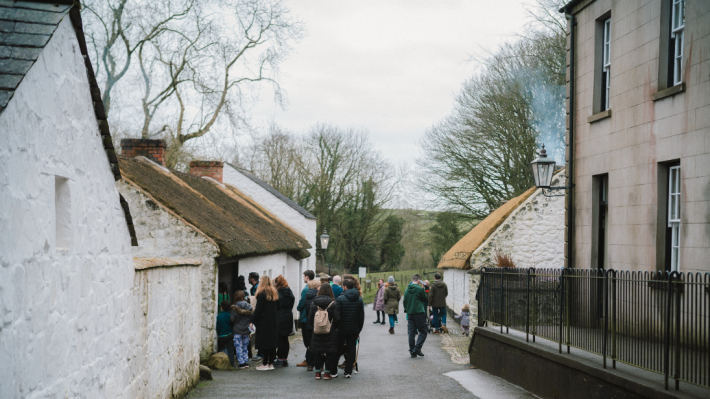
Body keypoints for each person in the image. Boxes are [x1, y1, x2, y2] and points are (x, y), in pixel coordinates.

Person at [309, 284, 340, 380]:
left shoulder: (314, 303)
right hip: (329, 332)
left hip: (317, 331)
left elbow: (310, 318)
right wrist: (333, 327)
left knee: (317, 352)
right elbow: (337, 319)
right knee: (329, 352)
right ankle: (327, 374)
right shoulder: (333, 303)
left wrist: (315, 327)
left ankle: (318, 373)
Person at [335, 278, 364, 378]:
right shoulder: (359, 300)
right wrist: (358, 329)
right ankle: (348, 372)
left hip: (342, 329)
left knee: (338, 349)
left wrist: (337, 328)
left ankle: (334, 371)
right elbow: (361, 317)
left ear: (345, 287)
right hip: (353, 329)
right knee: (351, 349)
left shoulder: (340, 299)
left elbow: (337, 316)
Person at [252, 275, 281, 370]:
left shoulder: (261, 294)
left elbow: (258, 309)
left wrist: (252, 320)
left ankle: (264, 364)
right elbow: (279, 307)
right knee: (272, 343)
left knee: (264, 343)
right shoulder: (274, 293)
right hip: (273, 321)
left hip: (263, 321)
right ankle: (271, 363)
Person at [297, 279, 320, 370]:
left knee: (310, 343)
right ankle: (318, 363)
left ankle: (310, 363)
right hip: (317, 323)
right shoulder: (318, 297)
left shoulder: (306, 296)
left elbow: (302, 307)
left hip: (308, 322)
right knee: (317, 343)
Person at [403, 274, 428, 358]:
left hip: (410, 313)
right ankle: (417, 348)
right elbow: (425, 299)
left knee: (411, 332)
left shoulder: (407, 289)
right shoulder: (419, 289)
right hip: (419, 312)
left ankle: (412, 350)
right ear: (418, 281)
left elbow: (404, 301)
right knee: (423, 331)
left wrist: (407, 309)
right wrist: (423, 288)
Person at [274, 275, 295, 367]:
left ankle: (280, 358)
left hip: (280, 316)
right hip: (288, 316)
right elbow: (292, 301)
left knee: (280, 338)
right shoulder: (289, 292)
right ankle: (285, 358)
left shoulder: (277, 293)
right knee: (285, 339)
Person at [230, 291, 253, 369]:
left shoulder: (234, 307)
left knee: (238, 346)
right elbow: (251, 318)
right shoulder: (249, 307)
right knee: (245, 346)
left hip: (237, 330)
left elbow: (232, 319)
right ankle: (246, 361)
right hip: (246, 329)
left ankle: (241, 363)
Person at [216, 300, 236, 367]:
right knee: (230, 349)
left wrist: (218, 334)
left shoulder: (219, 317)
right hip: (230, 334)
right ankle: (231, 362)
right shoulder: (230, 316)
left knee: (220, 349)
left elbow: (218, 327)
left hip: (222, 335)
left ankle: (219, 361)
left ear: (221, 307)